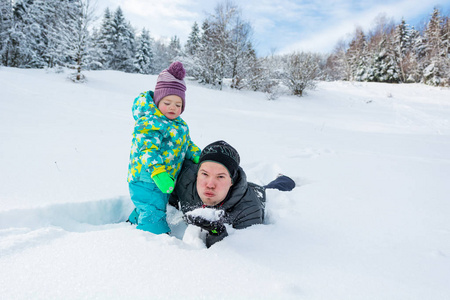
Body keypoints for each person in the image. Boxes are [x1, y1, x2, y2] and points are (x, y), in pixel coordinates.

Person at [170, 140, 296, 247]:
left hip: (252, 194)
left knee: (268, 189)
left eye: (220, 176)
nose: (210, 184)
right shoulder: (185, 181)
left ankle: (284, 180)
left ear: (232, 180)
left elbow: (237, 250)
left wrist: (216, 232)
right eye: (204, 174)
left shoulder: (249, 210)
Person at [127, 61, 201, 235]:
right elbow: (146, 150)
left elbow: (186, 144)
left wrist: (197, 155)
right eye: (167, 102)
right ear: (158, 100)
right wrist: (158, 172)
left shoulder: (179, 125)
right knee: (154, 212)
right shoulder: (150, 122)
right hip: (147, 177)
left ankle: (132, 223)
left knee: (149, 206)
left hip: (164, 178)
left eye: (178, 104)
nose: (172, 108)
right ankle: (153, 240)